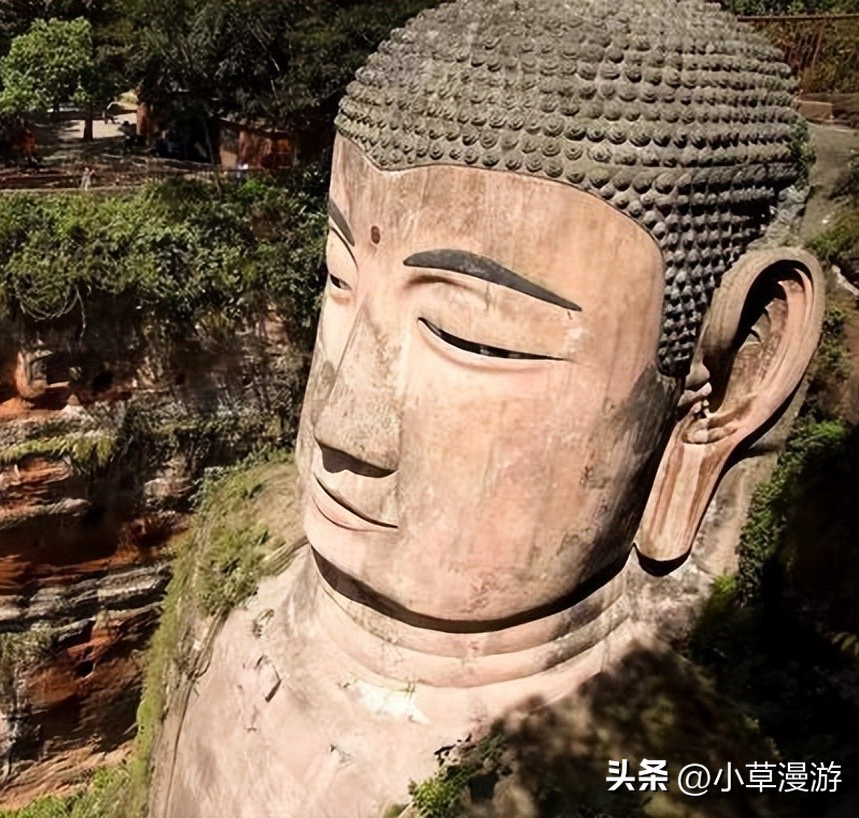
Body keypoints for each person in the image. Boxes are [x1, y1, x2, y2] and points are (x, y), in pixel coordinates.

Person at [158, 1, 824, 815]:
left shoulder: (680, 786)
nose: (339, 427)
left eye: (472, 337)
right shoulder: (239, 570)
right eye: (338, 279)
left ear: (718, 391)